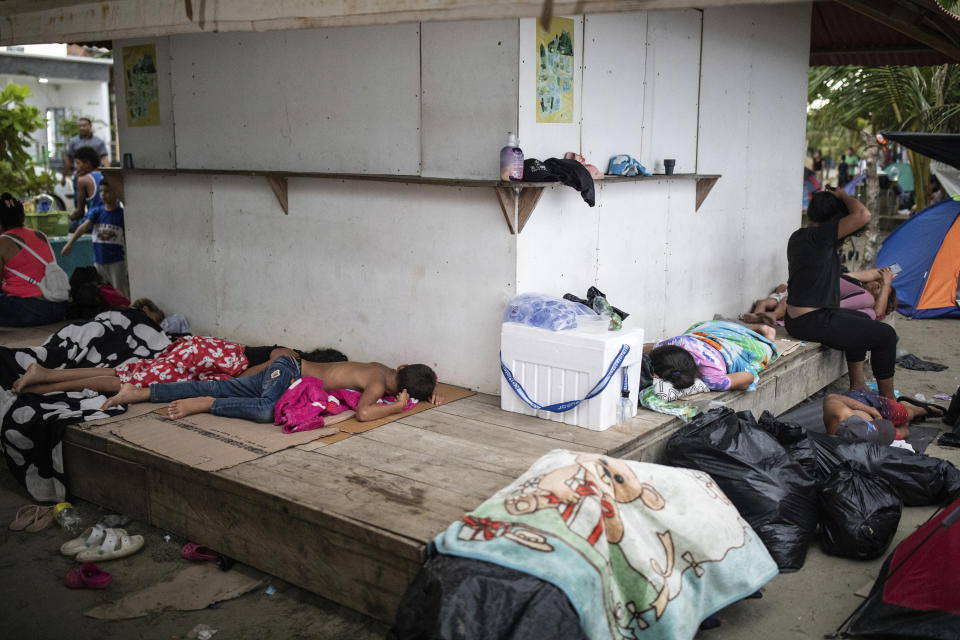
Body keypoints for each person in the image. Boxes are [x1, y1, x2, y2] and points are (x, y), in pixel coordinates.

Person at [785, 188, 900, 400]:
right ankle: (889, 403)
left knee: (861, 319)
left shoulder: (801, 237)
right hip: (811, 320)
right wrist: (843, 196)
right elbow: (863, 215)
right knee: (886, 336)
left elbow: (857, 275)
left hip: (800, 319)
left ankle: (858, 383)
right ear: (833, 221)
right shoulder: (819, 238)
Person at [102, 355, 442, 422]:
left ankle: (140, 392)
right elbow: (365, 413)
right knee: (267, 409)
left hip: (287, 371)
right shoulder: (376, 382)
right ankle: (206, 404)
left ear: (402, 367)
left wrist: (428, 394)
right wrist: (397, 407)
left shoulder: (387, 369)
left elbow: (413, 381)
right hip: (288, 371)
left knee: (225, 386)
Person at [644, 320, 777, 392]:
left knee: (763, 352)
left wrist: (734, 384)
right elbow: (648, 347)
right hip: (713, 333)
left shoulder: (713, 378)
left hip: (735, 348)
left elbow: (749, 377)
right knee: (704, 328)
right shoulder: (678, 342)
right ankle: (750, 329)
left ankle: (768, 337)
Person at [0, 193, 68, 326]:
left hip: (30, 310)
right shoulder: (40, 235)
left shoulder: (3, 242)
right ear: (23, 217)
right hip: (59, 307)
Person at [61, 176, 127, 296]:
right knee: (101, 291)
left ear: (116, 193)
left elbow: (127, 238)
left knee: (120, 291)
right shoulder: (97, 212)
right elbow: (83, 227)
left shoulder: (121, 215)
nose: (103, 194)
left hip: (116, 262)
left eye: (107, 191)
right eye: (101, 191)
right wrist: (69, 243)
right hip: (98, 262)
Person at [62, 117, 108, 192]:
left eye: (84, 125)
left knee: (94, 197)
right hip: (79, 175)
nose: (82, 128)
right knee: (79, 199)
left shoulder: (99, 142)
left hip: (95, 176)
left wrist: (107, 176)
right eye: (80, 126)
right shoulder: (73, 142)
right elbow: (68, 159)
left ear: (90, 126)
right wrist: (64, 176)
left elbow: (105, 159)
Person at [68, 147, 103, 233]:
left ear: (87, 164)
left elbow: (80, 212)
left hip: (93, 224)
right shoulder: (105, 174)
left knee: (68, 225)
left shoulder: (83, 180)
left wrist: (66, 218)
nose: (75, 167)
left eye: (77, 163)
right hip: (107, 220)